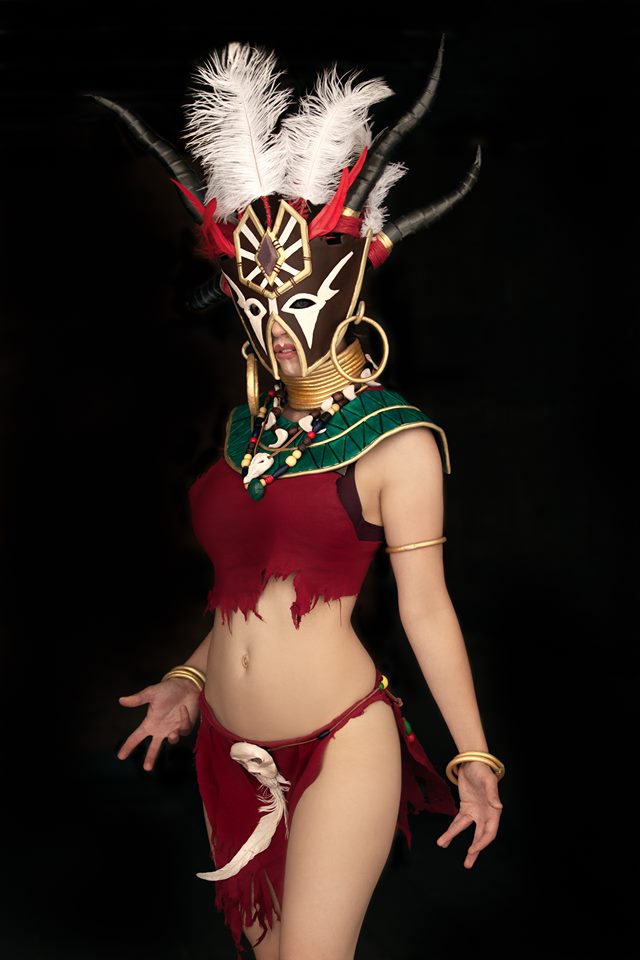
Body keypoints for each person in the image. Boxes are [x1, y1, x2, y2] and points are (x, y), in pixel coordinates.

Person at [109, 38, 504, 960]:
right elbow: (247, 594)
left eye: (297, 302)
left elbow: (425, 608)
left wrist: (474, 756)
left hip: (341, 740)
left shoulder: (397, 442)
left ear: (345, 290)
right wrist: (190, 677)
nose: (277, 329)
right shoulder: (245, 431)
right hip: (226, 743)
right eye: (258, 304)